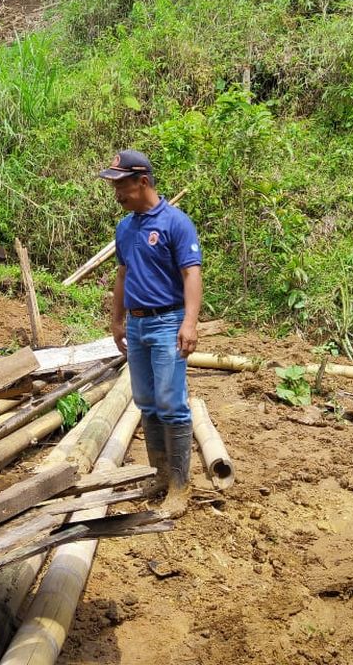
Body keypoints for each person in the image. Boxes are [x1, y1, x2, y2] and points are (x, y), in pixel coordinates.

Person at [99, 150, 203, 518]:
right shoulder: (125, 227)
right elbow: (123, 274)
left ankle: (180, 484)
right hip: (139, 324)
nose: (116, 193)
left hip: (167, 323)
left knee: (171, 403)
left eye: (120, 184)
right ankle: (160, 473)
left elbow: (191, 273)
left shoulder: (176, 223)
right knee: (146, 401)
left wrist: (189, 323)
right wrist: (117, 319)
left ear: (142, 181)